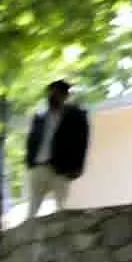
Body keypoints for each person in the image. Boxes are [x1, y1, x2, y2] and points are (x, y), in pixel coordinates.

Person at [25, 79, 90, 211]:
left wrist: (78, 166)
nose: (52, 96)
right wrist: (29, 162)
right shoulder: (40, 118)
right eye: (51, 93)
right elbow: (31, 141)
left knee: (61, 209)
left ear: (65, 96)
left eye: (57, 93)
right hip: (39, 167)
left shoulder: (76, 117)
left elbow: (82, 142)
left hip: (61, 169)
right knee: (32, 209)